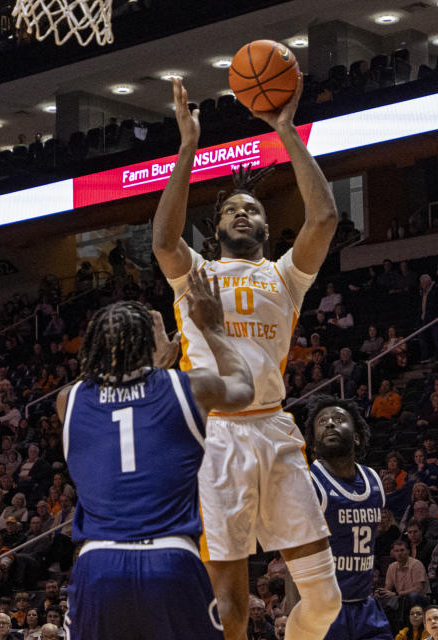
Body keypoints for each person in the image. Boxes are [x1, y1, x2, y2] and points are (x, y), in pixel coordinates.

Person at [152, 76, 342, 640]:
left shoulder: (284, 276)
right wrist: (187, 147)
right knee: (230, 613)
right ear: (216, 229)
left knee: (326, 602)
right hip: (217, 441)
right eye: (232, 208)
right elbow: (163, 240)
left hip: (275, 432)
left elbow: (324, 218)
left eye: (252, 210)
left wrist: (286, 131)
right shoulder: (197, 275)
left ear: (264, 227)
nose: (242, 213)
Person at [56, 270, 256, 640]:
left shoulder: (68, 400)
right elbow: (244, 387)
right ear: (151, 344)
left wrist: (151, 363)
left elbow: (127, 399)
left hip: (98, 564)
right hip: (170, 559)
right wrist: (212, 328)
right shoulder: (191, 388)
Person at [305, 395, 390, 640]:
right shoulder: (308, 483)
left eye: (339, 419)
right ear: (314, 444)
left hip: (366, 606)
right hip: (324, 611)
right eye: (322, 422)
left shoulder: (374, 480)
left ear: (356, 436)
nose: (330, 424)